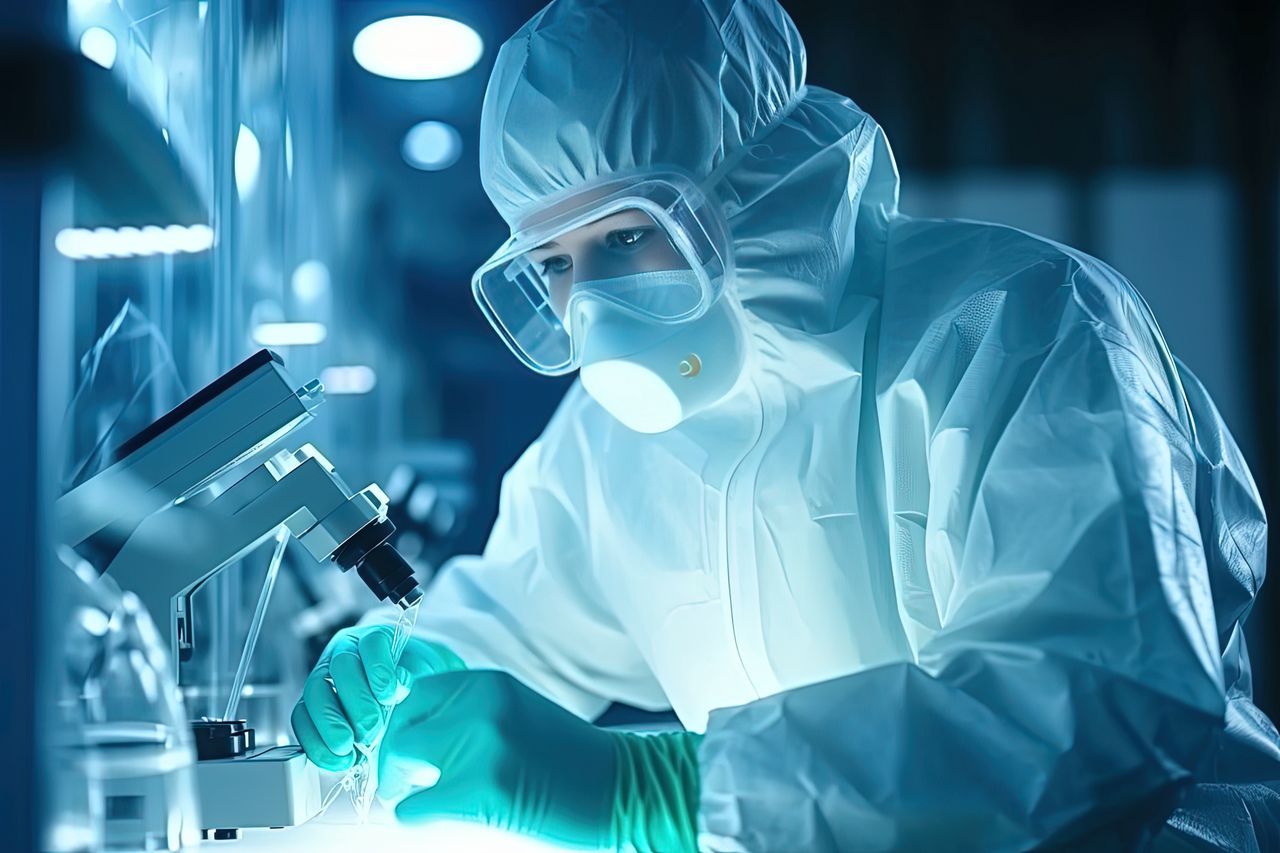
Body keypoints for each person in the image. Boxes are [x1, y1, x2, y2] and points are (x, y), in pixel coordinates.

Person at [292, 0, 1280, 849]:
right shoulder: (611, 436)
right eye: (553, 263)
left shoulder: (1017, 329)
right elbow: (519, 623)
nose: (587, 309)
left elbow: (1099, 703)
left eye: (627, 235)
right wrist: (416, 667)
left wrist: (665, 793)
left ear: (757, 183)